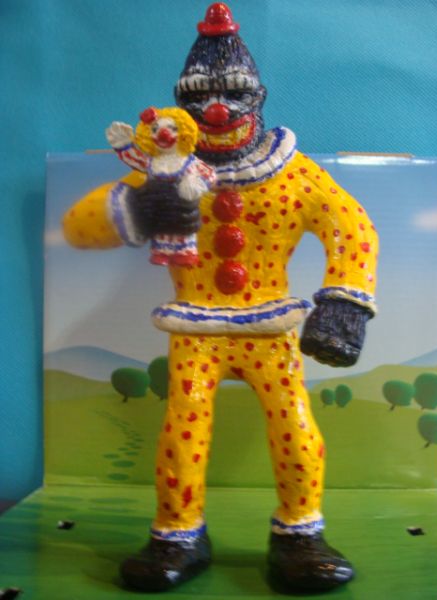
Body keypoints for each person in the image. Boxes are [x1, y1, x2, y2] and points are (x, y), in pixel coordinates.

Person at [62, 2, 378, 594]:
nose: (218, 108)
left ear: (257, 96)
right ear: (180, 105)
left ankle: (299, 534)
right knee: (182, 430)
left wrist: (344, 304)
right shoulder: (164, 171)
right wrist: (138, 206)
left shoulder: (293, 175)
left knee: (295, 426)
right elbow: (80, 225)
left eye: (234, 92)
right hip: (197, 330)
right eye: (201, 96)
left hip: (270, 330)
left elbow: (352, 227)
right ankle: (178, 533)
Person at [106, 106, 215, 266]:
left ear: (184, 133)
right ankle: (162, 252)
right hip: (158, 206)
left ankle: (185, 252)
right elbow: (135, 159)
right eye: (155, 129)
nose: (163, 134)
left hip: (182, 208)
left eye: (173, 129)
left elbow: (209, 174)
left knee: (183, 230)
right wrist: (123, 145)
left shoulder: (189, 162)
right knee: (160, 229)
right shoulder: (152, 162)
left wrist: (195, 182)